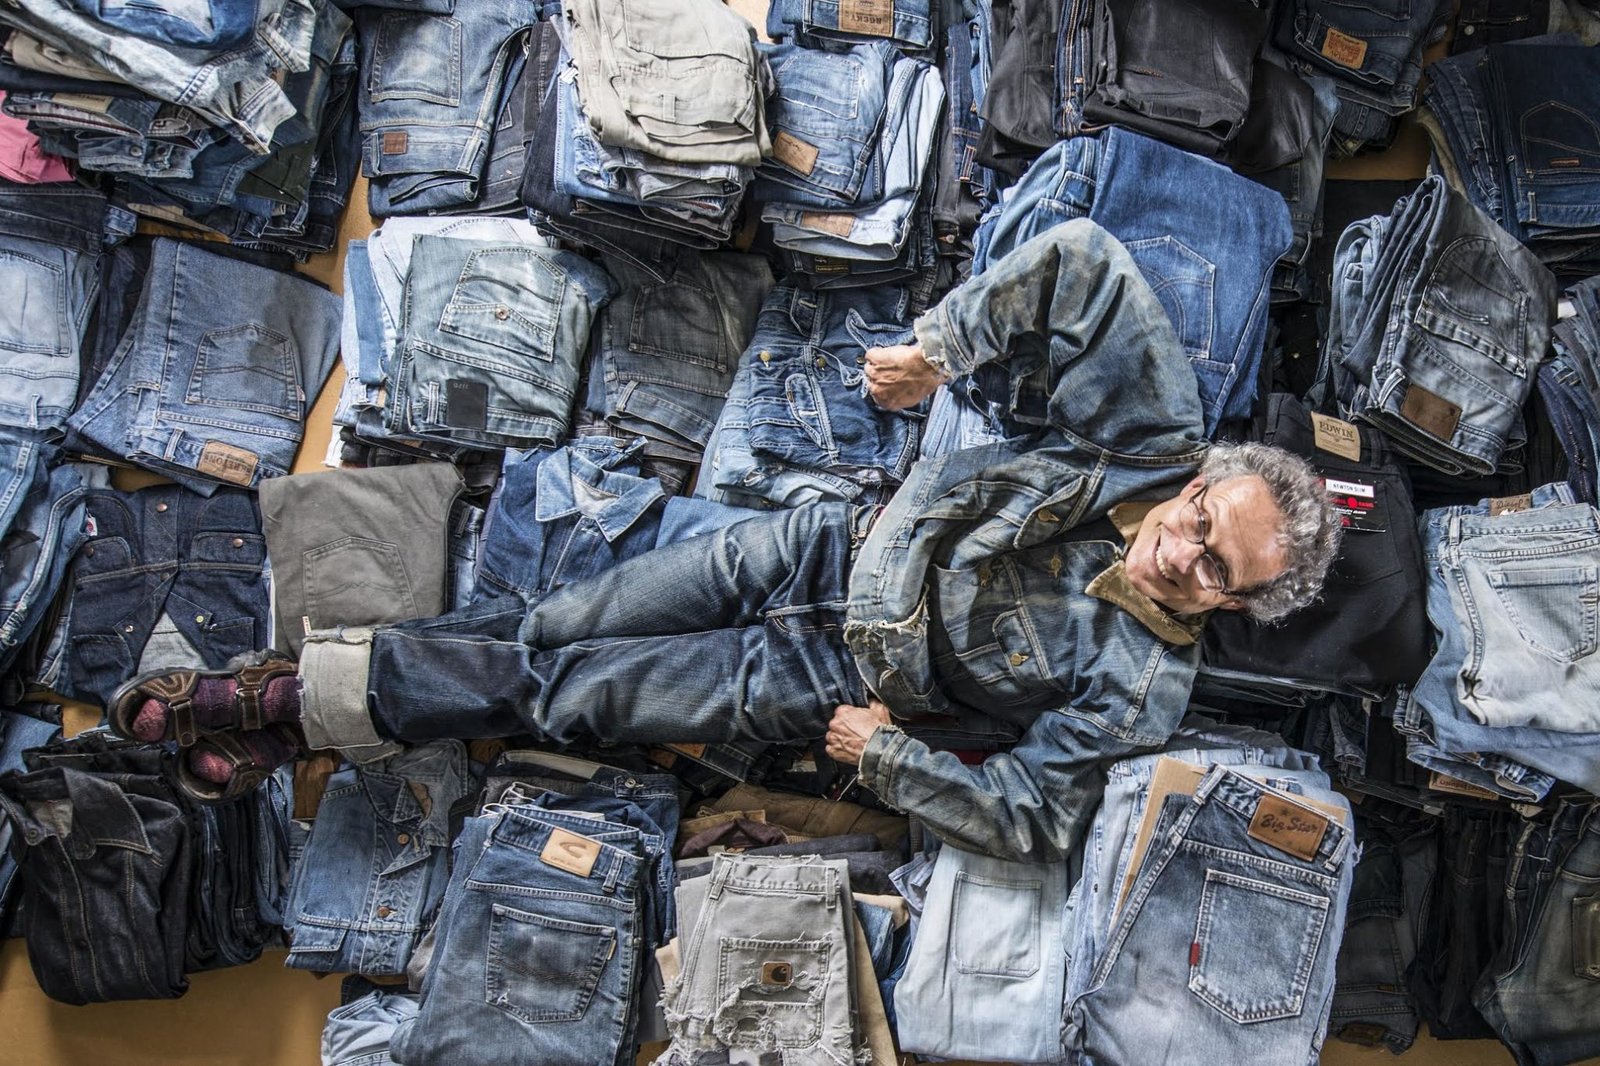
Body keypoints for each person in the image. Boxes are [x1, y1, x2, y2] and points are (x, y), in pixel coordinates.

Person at [113, 220, 1340, 861]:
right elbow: (1083, 266)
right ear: (1201, 478)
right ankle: (296, 705)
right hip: (820, 550)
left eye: (1217, 572)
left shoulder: (1147, 681)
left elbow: (1032, 815)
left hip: (832, 684)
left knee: (584, 700)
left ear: (1234, 605)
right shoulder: (1153, 438)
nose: (1185, 553)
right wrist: (937, 347)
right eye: (1198, 521)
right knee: (555, 624)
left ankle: (292, 701)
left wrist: (892, 763)